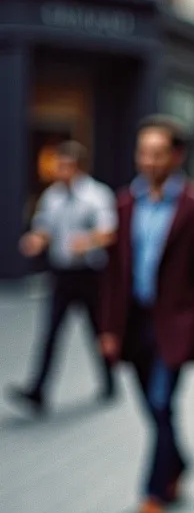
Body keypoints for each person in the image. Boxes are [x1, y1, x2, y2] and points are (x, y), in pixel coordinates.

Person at [100, 118, 194, 513]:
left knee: (159, 402)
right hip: (133, 322)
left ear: (176, 156)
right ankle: (179, 461)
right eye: (143, 152)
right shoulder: (123, 204)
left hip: (176, 323)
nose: (148, 161)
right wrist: (108, 328)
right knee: (155, 408)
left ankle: (153, 495)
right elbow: (114, 274)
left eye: (157, 153)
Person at [7, 141, 117, 415]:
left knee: (97, 331)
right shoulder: (52, 197)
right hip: (63, 274)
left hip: (90, 275)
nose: (60, 171)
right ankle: (38, 390)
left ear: (78, 167)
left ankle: (109, 380)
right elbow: (45, 227)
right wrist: (36, 240)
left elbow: (108, 232)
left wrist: (88, 242)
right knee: (51, 333)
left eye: (65, 166)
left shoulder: (96, 195)